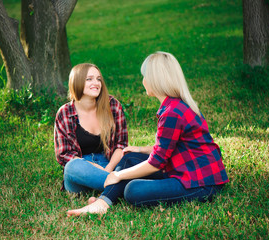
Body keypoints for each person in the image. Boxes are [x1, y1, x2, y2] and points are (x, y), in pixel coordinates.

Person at [67, 52, 229, 216]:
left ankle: (104, 201)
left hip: (200, 183)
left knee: (133, 190)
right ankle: (103, 202)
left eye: (144, 76)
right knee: (129, 157)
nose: (143, 81)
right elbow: (173, 146)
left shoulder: (172, 113)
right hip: (183, 168)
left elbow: (156, 162)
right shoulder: (174, 106)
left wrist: (118, 174)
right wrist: (142, 149)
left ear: (154, 80)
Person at [54, 63, 128, 193]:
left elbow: (121, 145)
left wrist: (108, 168)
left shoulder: (112, 105)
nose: (96, 83)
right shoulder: (65, 113)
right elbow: (64, 155)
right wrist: (93, 167)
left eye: (98, 79)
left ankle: (108, 190)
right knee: (72, 167)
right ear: (76, 82)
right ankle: (123, 189)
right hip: (81, 171)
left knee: (132, 157)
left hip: (110, 164)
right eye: (89, 79)